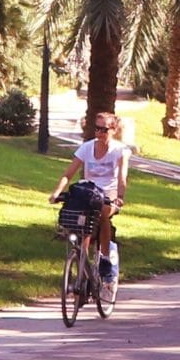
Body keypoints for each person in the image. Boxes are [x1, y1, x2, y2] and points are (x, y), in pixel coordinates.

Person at [50, 109, 131, 291]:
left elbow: (122, 178)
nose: (99, 133)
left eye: (104, 129)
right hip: (88, 191)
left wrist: (120, 197)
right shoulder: (87, 148)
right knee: (79, 221)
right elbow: (68, 174)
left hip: (108, 193)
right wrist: (56, 193)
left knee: (102, 213)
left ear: (113, 130)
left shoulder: (120, 151)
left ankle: (104, 260)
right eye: (97, 129)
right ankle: (82, 270)